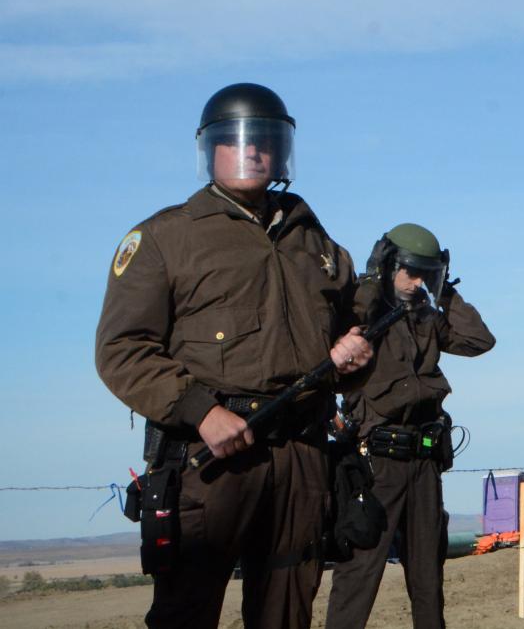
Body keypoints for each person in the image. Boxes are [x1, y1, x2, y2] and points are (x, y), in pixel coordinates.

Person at [95, 83, 374, 629]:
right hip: (211, 458)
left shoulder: (318, 247)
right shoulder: (164, 238)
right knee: (186, 611)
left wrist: (354, 354)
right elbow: (121, 349)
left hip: (301, 454)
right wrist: (200, 411)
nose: (251, 150)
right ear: (210, 150)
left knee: (287, 612)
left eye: (264, 139)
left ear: (281, 149)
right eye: (236, 139)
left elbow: (349, 336)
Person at [325, 223, 496, 629]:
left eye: (427, 273)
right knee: (360, 569)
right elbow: (324, 355)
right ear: (388, 265)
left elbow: (478, 341)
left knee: (427, 575)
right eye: (411, 272)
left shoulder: (425, 313)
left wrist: (444, 292)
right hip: (375, 461)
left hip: (425, 460)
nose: (417, 282)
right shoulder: (359, 304)